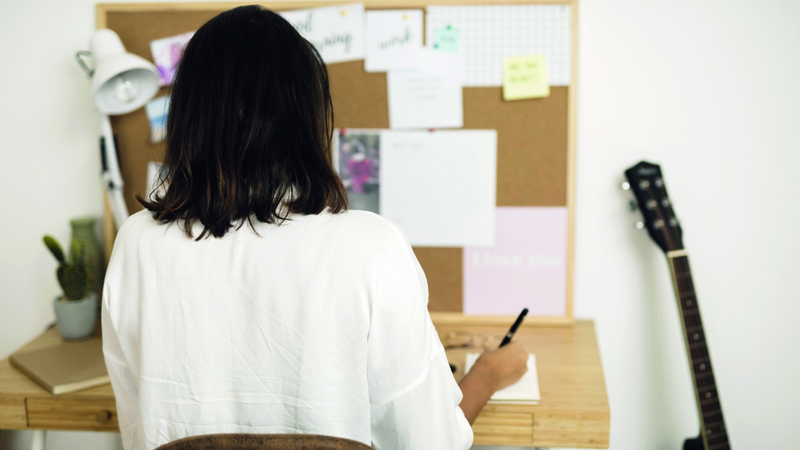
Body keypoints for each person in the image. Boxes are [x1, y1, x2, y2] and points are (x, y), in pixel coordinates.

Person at [101, 5, 528, 450]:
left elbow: (140, 430)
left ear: (188, 116)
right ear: (306, 118)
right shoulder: (371, 248)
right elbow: (432, 443)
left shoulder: (136, 245)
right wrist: (487, 373)